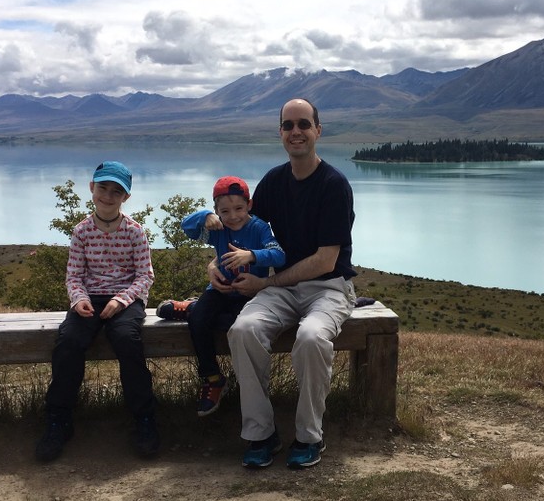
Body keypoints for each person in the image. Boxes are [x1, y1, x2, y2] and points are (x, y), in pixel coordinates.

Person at [210, 98, 356, 470]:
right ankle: (261, 433)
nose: (296, 132)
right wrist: (217, 262)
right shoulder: (275, 181)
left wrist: (266, 283)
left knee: (311, 337)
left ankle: (309, 436)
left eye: (304, 124)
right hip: (280, 288)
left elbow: (325, 260)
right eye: (288, 125)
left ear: (318, 131)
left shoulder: (334, 185)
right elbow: (241, 229)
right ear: (280, 133)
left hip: (328, 287)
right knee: (243, 330)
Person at [35, 160, 159, 463]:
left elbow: (145, 276)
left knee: (127, 341)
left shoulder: (135, 232)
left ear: (125, 198)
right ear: (92, 188)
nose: (108, 195)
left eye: (116, 191)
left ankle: (144, 419)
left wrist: (121, 300)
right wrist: (78, 300)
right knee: (68, 342)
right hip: (89, 299)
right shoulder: (82, 232)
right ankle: (58, 420)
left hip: (126, 300)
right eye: (103, 188)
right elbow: (74, 276)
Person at [180, 176, 284, 417]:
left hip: (249, 293)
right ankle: (213, 378)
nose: (233, 216)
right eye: (224, 211)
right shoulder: (217, 229)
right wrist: (204, 216)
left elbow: (279, 255)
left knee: (232, 325)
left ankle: (187, 308)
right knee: (198, 321)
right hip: (220, 290)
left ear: (249, 205)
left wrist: (252, 256)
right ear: (217, 211)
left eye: (239, 208)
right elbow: (187, 227)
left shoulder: (259, 227)